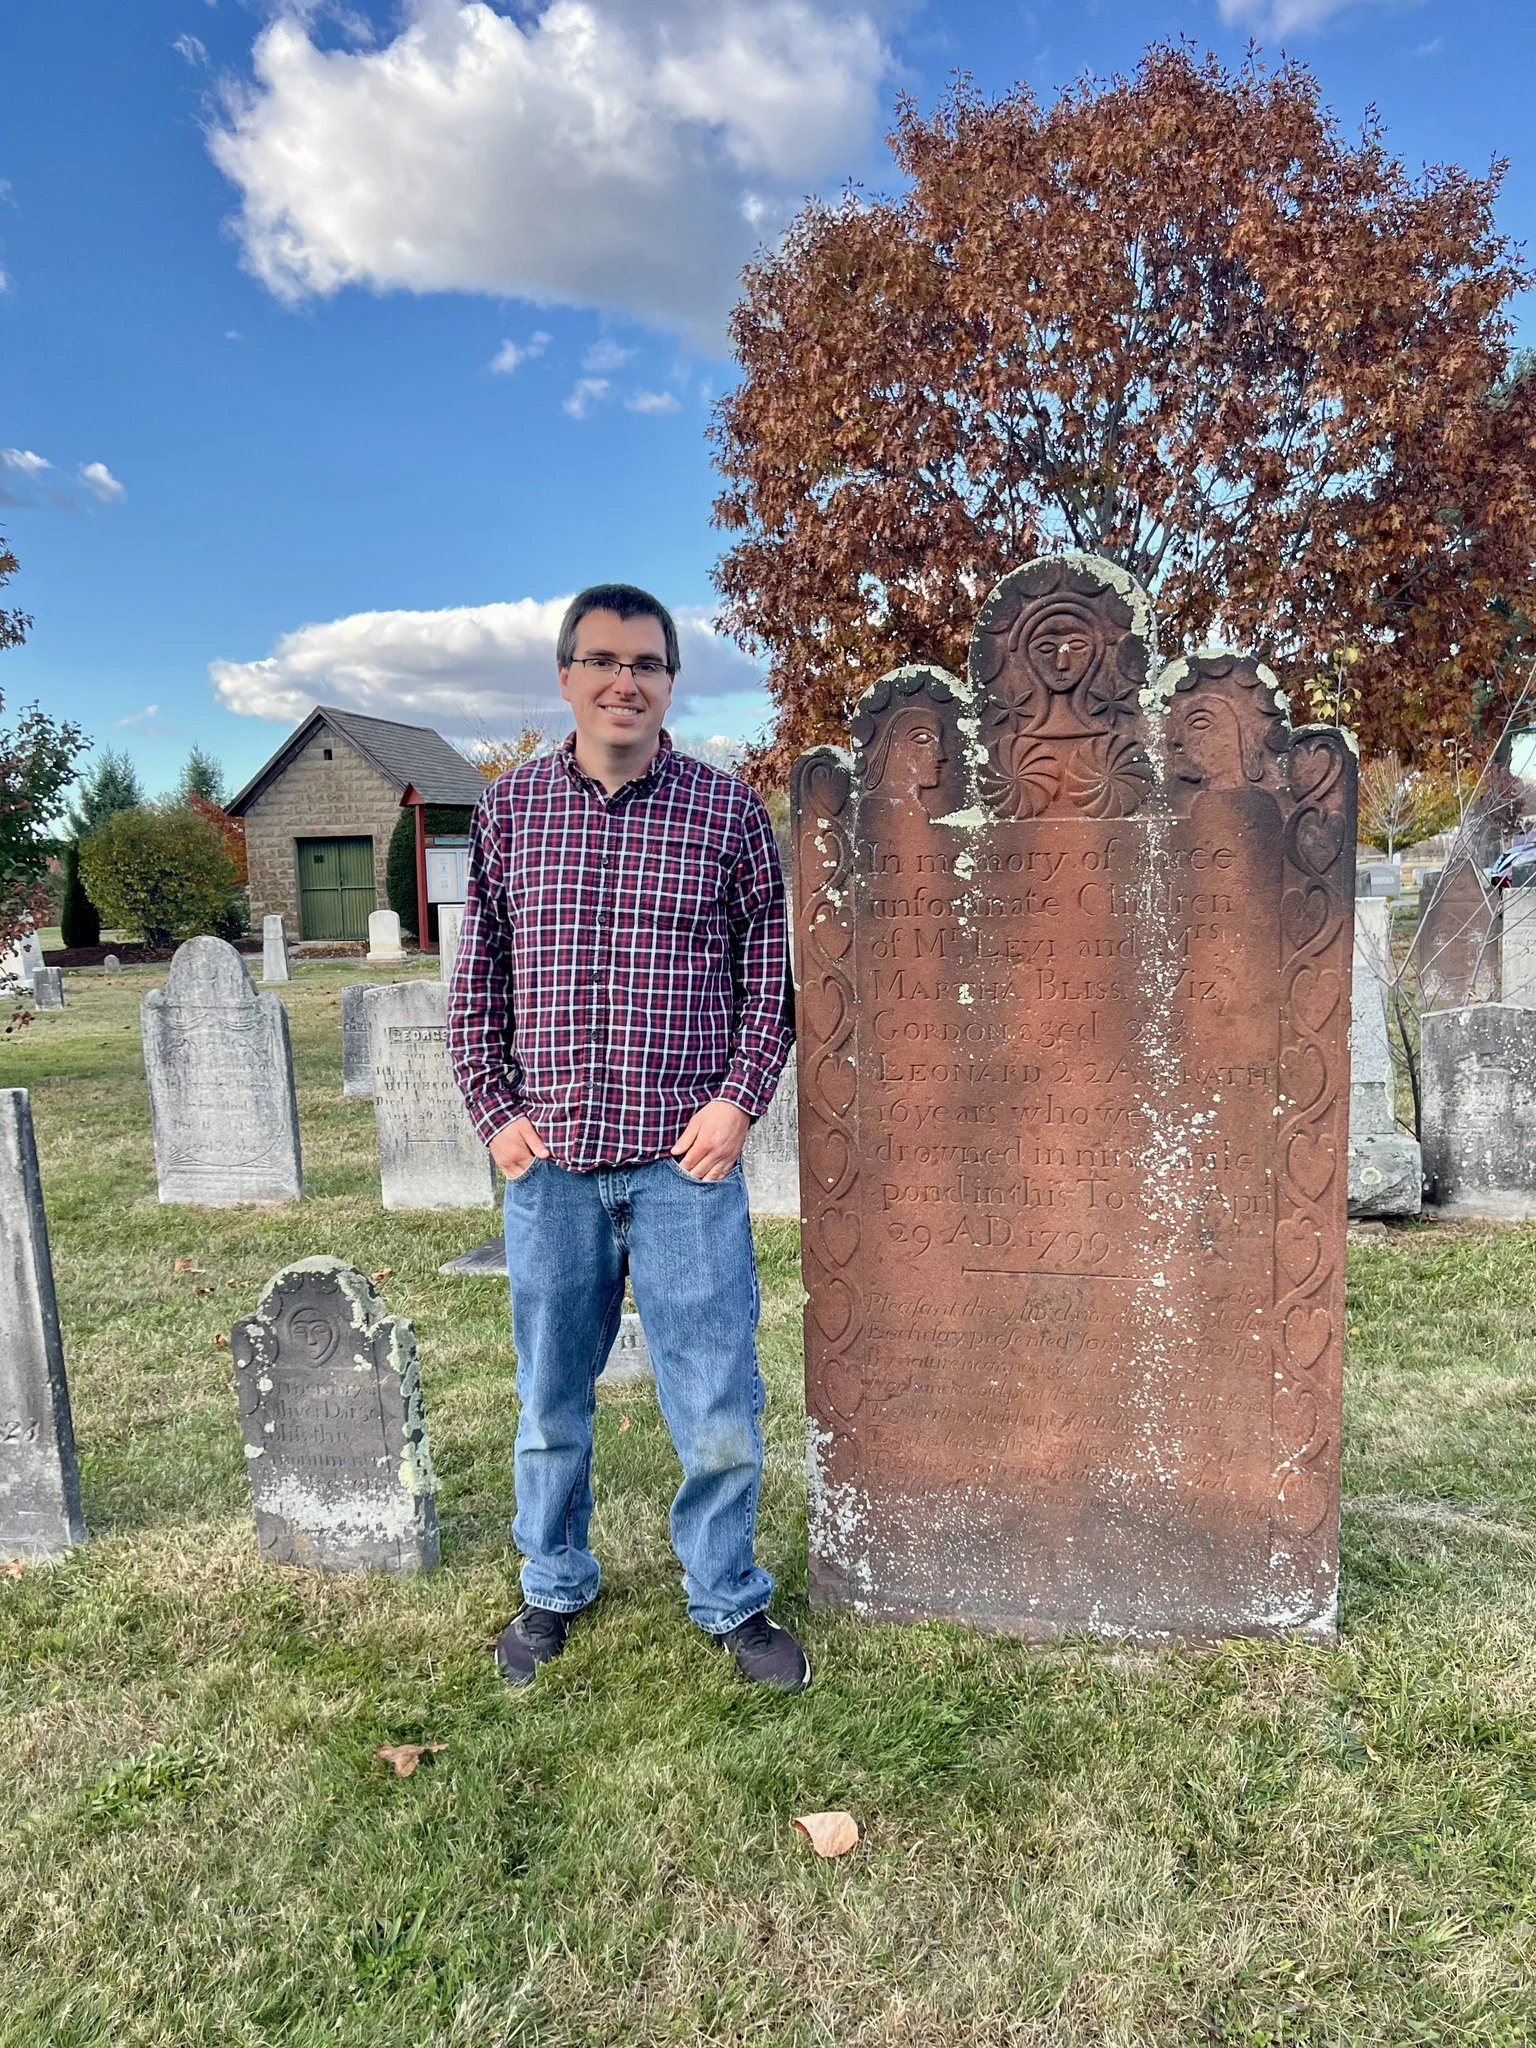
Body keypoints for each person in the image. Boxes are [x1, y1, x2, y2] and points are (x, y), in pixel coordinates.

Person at [447, 583, 808, 1692]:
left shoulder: (726, 811)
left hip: (681, 1161)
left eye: (647, 663)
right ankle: (552, 1580)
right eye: (603, 660)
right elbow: (478, 986)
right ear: (564, 677)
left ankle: (727, 1594)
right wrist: (497, 1115)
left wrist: (739, 1100)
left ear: (669, 682)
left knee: (715, 1398)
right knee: (551, 1396)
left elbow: (768, 983)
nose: (626, 681)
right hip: (551, 1165)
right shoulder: (510, 813)